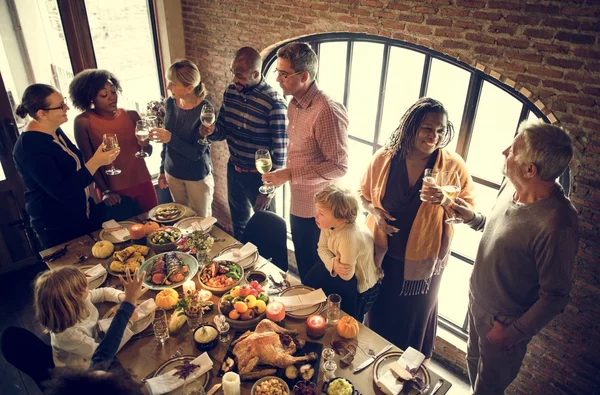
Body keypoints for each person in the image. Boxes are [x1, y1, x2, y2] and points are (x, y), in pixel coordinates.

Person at [450, 121, 579, 395]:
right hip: (478, 303)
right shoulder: (512, 188)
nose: (504, 151)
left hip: (503, 323)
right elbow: (505, 236)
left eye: (514, 149)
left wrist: (512, 333)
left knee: (489, 388)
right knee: (473, 365)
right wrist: (473, 218)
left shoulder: (558, 224)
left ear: (530, 169)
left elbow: (556, 296)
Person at [360, 97, 475, 361]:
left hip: (423, 267)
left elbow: (467, 213)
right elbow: (362, 194)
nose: (434, 136)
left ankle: (407, 376)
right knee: (378, 316)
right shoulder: (385, 158)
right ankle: (375, 368)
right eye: (427, 128)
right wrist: (375, 213)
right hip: (382, 257)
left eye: (440, 130)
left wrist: (444, 201)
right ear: (411, 126)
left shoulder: (453, 166)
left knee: (412, 323)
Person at [262, 42, 349, 281]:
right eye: (277, 72)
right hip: (299, 202)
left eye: (284, 74)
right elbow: (301, 153)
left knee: (317, 273)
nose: (278, 79)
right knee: (303, 265)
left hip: (320, 211)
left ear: (305, 76)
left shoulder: (326, 110)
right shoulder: (294, 104)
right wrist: (285, 174)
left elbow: (339, 165)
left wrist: (290, 174)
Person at [12, 84, 119, 249]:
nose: (67, 107)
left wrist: (98, 156)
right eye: (61, 106)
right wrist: (96, 162)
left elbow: (75, 166)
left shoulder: (54, 130)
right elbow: (62, 191)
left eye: (64, 102)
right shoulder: (30, 147)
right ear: (42, 114)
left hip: (80, 212)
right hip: (56, 224)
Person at [201, 47, 288, 240]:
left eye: (239, 76)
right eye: (233, 74)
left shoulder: (274, 103)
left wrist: (268, 190)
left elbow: (281, 156)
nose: (234, 80)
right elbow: (222, 130)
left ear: (255, 74)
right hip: (234, 170)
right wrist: (212, 131)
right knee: (238, 224)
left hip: (260, 179)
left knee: (267, 230)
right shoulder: (230, 92)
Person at [43, 269, 146, 395]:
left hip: (97, 346)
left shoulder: (80, 301)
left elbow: (102, 292)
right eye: (82, 286)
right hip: (86, 371)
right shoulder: (66, 335)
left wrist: (124, 297)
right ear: (72, 299)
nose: (87, 282)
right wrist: (128, 321)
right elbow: (104, 352)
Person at [70, 69, 158, 213]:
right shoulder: (83, 122)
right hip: (113, 190)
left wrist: (146, 144)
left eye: (113, 91)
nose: (112, 97)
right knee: (123, 233)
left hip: (143, 182)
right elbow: (89, 160)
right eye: (104, 94)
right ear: (90, 98)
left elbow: (147, 152)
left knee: (155, 226)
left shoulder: (132, 115)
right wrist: (105, 191)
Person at [303, 185, 381, 322]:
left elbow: (346, 275)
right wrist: (333, 262)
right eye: (317, 210)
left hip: (362, 289)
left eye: (321, 213)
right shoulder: (328, 224)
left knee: (349, 322)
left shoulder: (347, 237)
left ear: (339, 219)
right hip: (343, 279)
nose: (316, 215)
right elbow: (321, 248)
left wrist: (331, 262)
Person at [150, 59, 214, 217]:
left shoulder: (205, 110)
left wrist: (171, 138)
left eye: (172, 83)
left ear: (189, 88)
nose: (168, 87)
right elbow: (166, 142)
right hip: (172, 173)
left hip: (196, 177)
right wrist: (162, 170)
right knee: (181, 219)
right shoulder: (170, 103)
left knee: (201, 223)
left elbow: (196, 153)